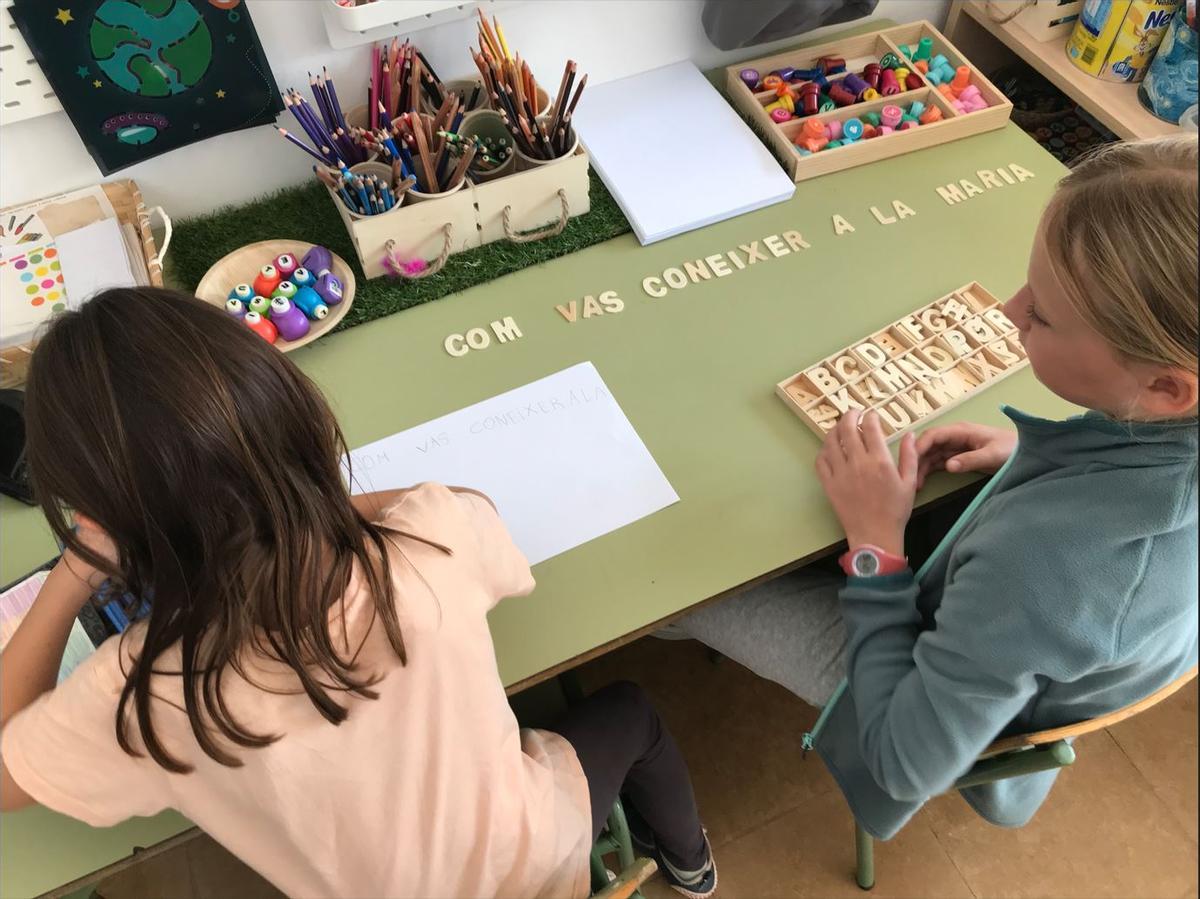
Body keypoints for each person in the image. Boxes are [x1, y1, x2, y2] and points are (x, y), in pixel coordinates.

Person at [0, 288, 716, 899]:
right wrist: (305, 503)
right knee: (631, 711)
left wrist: (71, 576)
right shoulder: (426, 541)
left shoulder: (148, 688)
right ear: (293, 414)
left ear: (112, 522)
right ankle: (694, 867)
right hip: (531, 865)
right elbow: (472, 504)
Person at [663, 135, 1199, 838]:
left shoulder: (1048, 568)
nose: (1009, 311)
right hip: (1025, 640)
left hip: (910, 702)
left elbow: (901, 761)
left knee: (688, 581)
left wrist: (876, 547)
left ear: (1164, 387)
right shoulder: (1167, 420)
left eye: (1040, 314)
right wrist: (1047, 454)